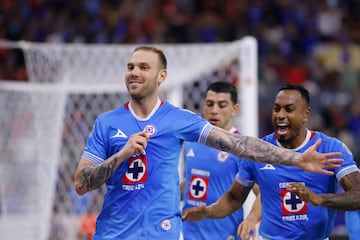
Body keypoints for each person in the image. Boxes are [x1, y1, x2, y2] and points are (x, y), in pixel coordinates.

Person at [74, 47, 342, 239]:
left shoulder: (179, 119)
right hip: (113, 232)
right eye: (131, 67)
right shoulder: (107, 122)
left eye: (144, 67)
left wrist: (295, 158)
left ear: (161, 76)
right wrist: (122, 154)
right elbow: (81, 184)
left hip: (162, 233)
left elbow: (237, 144)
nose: (134, 72)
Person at [182, 84, 359, 239]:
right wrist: (209, 211)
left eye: (288, 109)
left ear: (306, 114)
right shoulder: (258, 151)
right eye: (276, 109)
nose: (280, 115)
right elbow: (234, 198)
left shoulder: (330, 148)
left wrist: (320, 199)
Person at [180, 81, 260, 240]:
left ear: (234, 109)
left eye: (222, 105)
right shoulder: (191, 142)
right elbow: (193, 181)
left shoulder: (242, 147)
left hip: (225, 235)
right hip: (189, 234)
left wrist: (251, 220)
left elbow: (264, 193)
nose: (214, 110)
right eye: (210, 104)